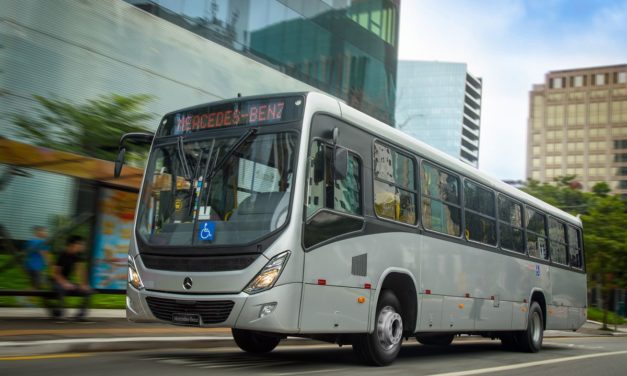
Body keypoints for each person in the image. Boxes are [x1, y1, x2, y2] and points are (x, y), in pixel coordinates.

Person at [50, 235, 93, 320]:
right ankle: (60, 313)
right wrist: (65, 283)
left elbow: (80, 271)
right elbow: (55, 274)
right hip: (56, 281)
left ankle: (80, 315)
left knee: (88, 291)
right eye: (80, 244)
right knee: (61, 289)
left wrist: (84, 284)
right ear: (72, 244)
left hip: (67, 282)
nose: (81, 246)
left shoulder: (76, 256)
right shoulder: (62, 255)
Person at [24, 226, 50, 290]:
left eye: (45, 231)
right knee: (36, 286)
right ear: (38, 232)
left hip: (30, 266)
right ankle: (21, 297)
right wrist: (47, 262)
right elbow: (43, 252)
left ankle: (24, 297)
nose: (45, 233)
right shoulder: (41, 242)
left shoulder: (31, 241)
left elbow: (26, 253)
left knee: (36, 286)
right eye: (43, 231)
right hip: (35, 267)